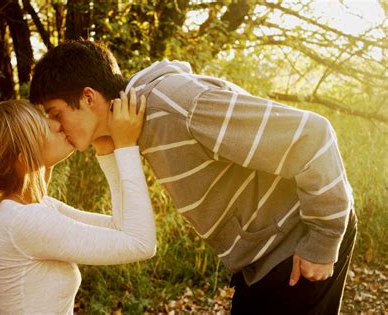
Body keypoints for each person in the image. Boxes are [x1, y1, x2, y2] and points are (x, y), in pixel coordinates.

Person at [29, 40, 357, 315]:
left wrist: (323, 240)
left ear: (88, 97)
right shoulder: (134, 125)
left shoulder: (179, 105)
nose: (55, 128)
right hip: (259, 261)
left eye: (56, 114)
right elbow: (124, 224)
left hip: (296, 243)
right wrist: (109, 147)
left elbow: (313, 135)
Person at [0, 95, 156, 314]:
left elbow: (119, 229)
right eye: (44, 127)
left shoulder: (30, 210)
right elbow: (140, 243)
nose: (58, 124)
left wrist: (107, 151)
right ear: (24, 160)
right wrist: (126, 146)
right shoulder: (22, 222)